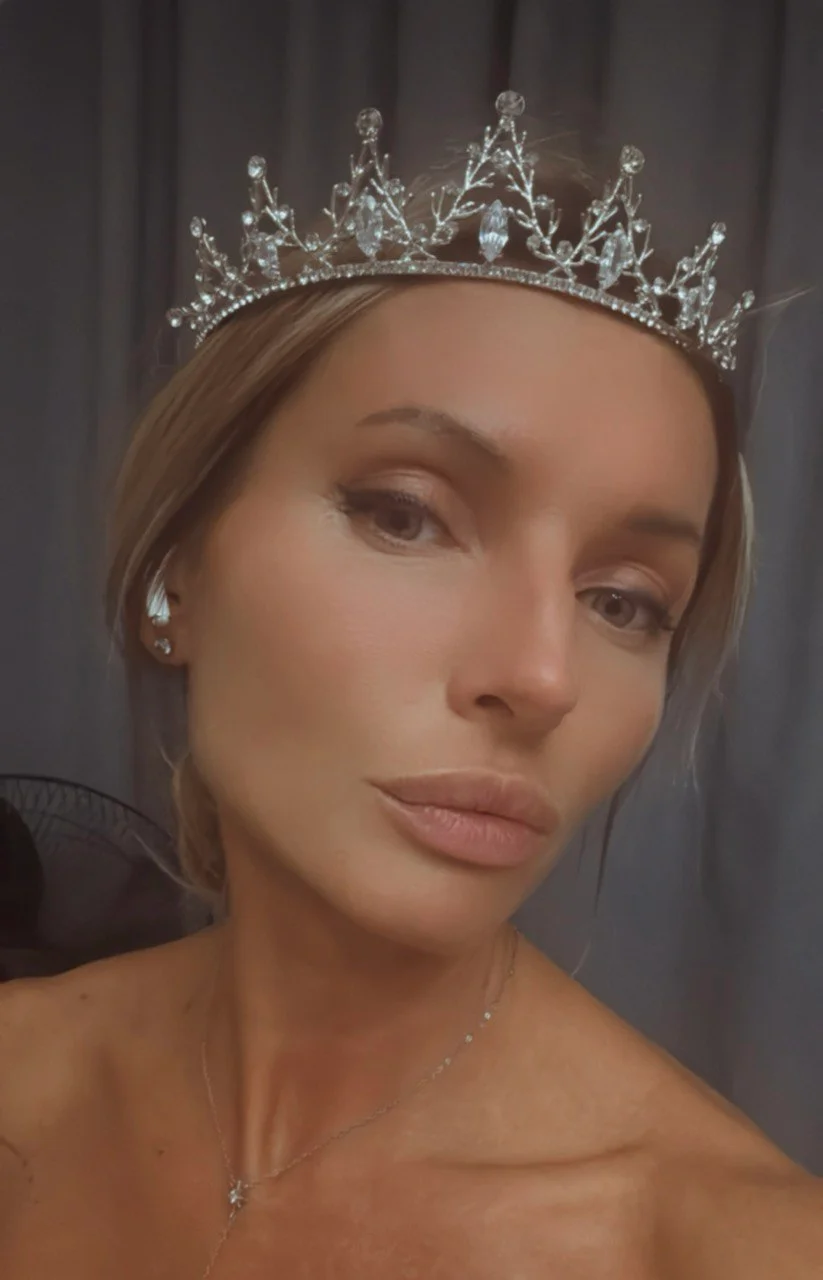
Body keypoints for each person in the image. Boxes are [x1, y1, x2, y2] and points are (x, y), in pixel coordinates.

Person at [0, 92, 820, 1279]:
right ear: (178, 564)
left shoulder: (728, 1246)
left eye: (624, 600)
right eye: (405, 514)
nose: (541, 676)